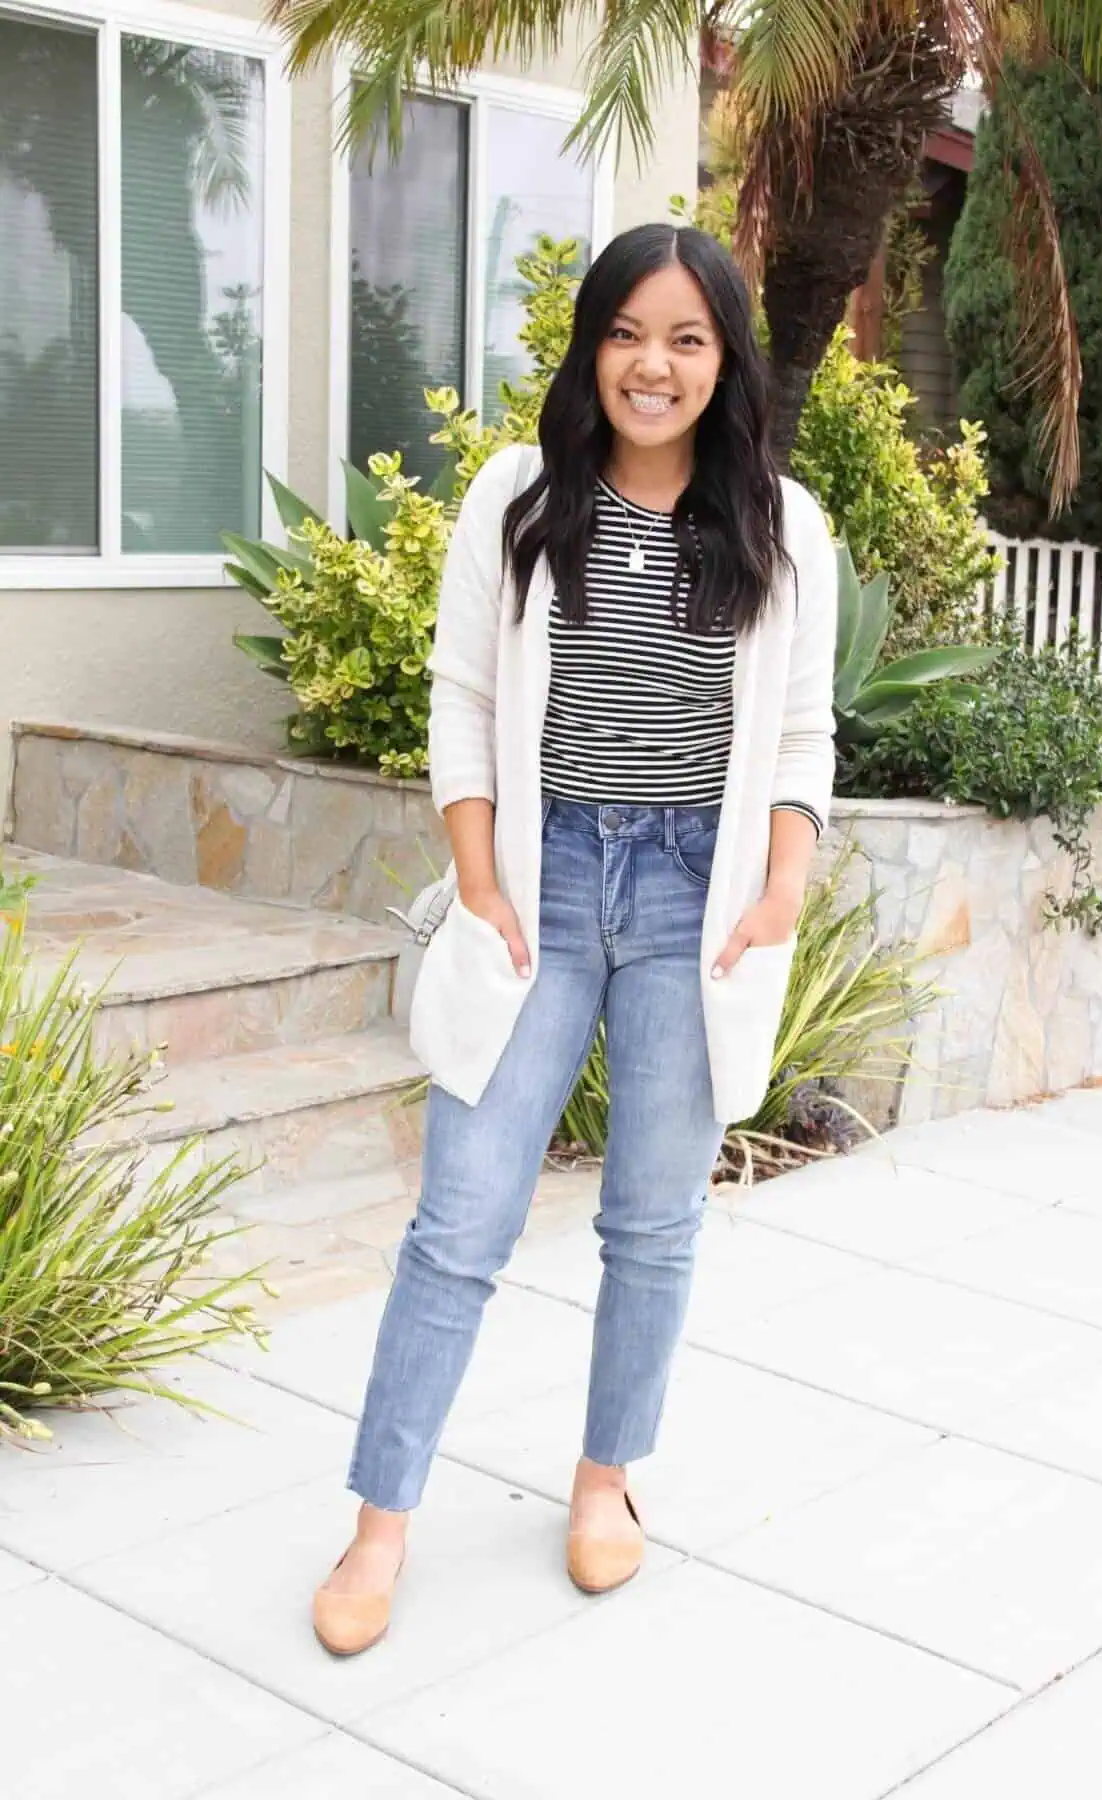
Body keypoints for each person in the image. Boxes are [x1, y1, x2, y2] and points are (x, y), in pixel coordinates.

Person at [312, 222, 838, 1657]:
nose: (651, 365)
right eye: (625, 333)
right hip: (539, 884)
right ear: (591, 346)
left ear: (724, 360)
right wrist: (479, 878)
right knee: (460, 1220)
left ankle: (607, 1480)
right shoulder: (518, 496)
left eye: (685, 339)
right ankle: (379, 1523)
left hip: (694, 896)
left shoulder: (783, 526)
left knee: (653, 1223)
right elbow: (464, 697)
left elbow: (803, 733)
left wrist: (781, 889)